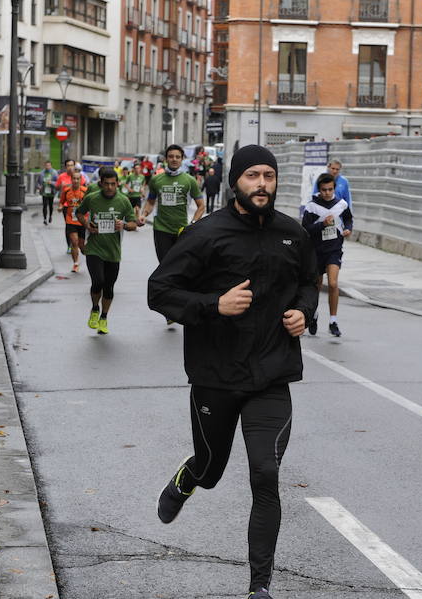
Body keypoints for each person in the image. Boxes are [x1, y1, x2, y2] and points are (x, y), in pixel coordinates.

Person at [147, 145, 318, 599]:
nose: (262, 184)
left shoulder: (291, 234)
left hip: (271, 374)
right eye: (252, 176)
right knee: (212, 469)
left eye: (268, 175)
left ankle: (259, 586)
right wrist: (213, 305)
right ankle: (189, 477)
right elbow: (159, 290)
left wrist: (303, 311)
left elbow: (308, 281)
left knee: (265, 474)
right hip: (215, 376)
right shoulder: (205, 234)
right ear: (234, 182)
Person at [76, 167, 137, 335]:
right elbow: (79, 213)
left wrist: (123, 225)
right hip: (94, 249)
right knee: (98, 281)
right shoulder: (91, 198)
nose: (110, 187)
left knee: (109, 287)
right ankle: (95, 308)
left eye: (113, 184)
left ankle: (104, 317)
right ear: (101, 184)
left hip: (113, 251)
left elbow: (133, 224)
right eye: (106, 184)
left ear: (117, 184)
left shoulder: (124, 201)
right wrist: (87, 225)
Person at [301, 172, 353, 337]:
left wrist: (348, 229)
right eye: (324, 190)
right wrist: (322, 225)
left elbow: (349, 219)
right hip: (316, 251)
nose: (327, 193)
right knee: (315, 285)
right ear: (319, 189)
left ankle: (333, 321)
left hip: (334, 250)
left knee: (332, 283)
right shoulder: (312, 206)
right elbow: (305, 230)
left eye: (330, 189)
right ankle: (314, 314)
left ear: (334, 189)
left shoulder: (341, 205)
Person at [140, 143, 205, 269]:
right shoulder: (156, 180)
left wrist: (192, 223)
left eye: (177, 157)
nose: (174, 159)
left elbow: (201, 206)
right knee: (164, 265)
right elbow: (150, 202)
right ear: (166, 159)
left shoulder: (189, 180)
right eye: (171, 156)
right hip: (161, 229)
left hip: (181, 230)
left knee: (178, 266)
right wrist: (144, 214)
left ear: (182, 159)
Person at [59, 168, 87, 272]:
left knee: (82, 246)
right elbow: (62, 202)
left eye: (77, 179)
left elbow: (90, 204)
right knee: (74, 242)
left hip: (82, 221)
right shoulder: (66, 191)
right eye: (74, 178)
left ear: (81, 180)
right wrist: (61, 207)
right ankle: (75, 264)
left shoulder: (85, 191)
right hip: (70, 220)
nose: (75, 181)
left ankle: (85, 254)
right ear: (71, 179)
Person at [37, 160, 58, 225]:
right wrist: (39, 186)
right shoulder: (42, 173)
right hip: (44, 192)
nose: (47, 167)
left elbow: (57, 182)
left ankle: (50, 216)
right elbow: (38, 182)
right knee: (44, 205)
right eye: (46, 165)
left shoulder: (54, 173)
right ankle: (45, 219)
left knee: (51, 205)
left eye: (49, 165)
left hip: (51, 191)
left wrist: (51, 182)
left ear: (51, 166)